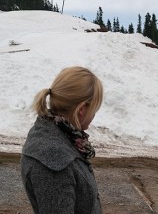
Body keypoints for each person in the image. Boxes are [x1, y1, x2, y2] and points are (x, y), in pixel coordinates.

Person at [21, 66, 104, 214]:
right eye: (94, 110)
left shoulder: (51, 131)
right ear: (82, 109)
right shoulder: (55, 162)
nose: (94, 116)